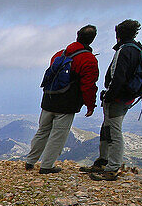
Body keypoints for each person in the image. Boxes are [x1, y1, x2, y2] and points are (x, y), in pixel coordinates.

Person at [23, 25, 99, 174]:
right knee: (58, 134)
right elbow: (88, 85)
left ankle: (30, 161)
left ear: (77, 35)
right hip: (67, 103)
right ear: (92, 39)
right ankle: (47, 166)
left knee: (42, 131)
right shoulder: (88, 59)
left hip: (49, 99)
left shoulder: (59, 54)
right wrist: (90, 105)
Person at [90, 19, 142, 180]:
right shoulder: (136, 49)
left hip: (118, 98)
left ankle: (112, 168)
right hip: (126, 97)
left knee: (113, 132)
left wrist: (109, 96)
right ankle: (104, 161)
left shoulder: (124, 50)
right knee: (108, 129)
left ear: (118, 34)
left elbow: (118, 77)